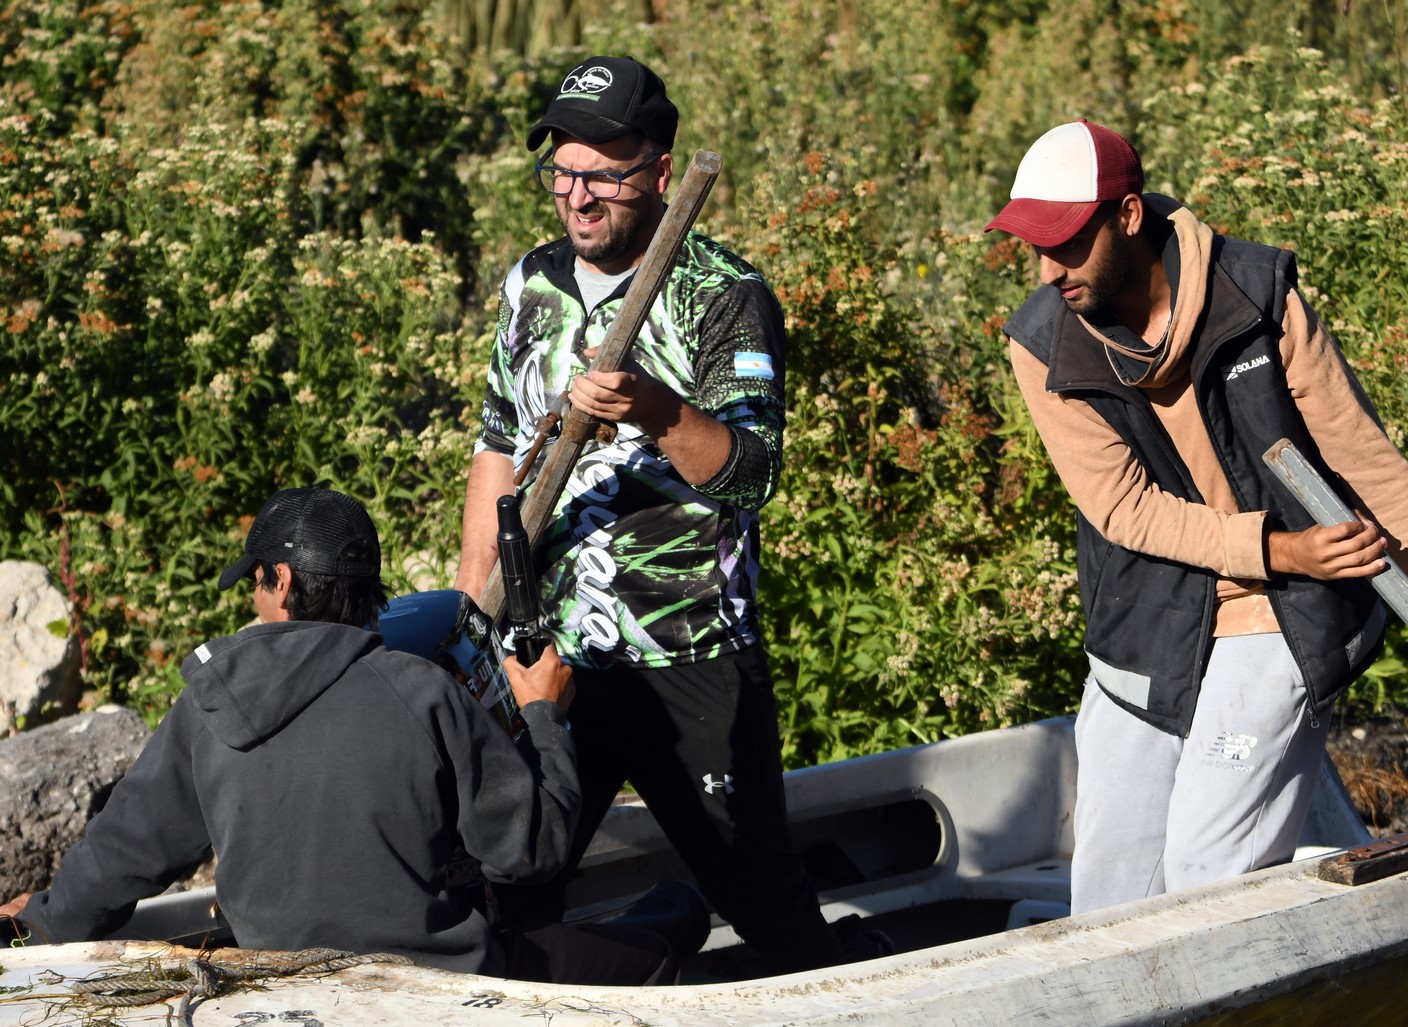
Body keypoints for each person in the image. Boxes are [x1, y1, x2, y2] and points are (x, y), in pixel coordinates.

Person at [986, 120, 1408, 915]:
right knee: (1107, 902)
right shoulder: (1042, 343)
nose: (1048, 271)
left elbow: (1370, 467)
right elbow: (1124, 510)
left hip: (1282, 612)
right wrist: (1280, 547)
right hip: (1149, 615)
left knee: (1207, 874)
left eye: (1066, 243)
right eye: (1035, 247)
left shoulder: (1257, 297)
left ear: (1129, 216)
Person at [452, 55, 854, 973]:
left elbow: (750, 476)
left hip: (690, 654)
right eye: (562, 171)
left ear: (662, 172)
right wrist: (471, 617)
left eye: (602, 174)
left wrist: (657, 410)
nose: (576, 196)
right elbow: (497, 447)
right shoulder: (532, 283)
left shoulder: (725, 294)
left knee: (765, 902)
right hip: (550, 658)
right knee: (512, 887)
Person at [2, 486, 670, 983]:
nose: (256, 599)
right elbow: (530, 853)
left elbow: (122, 855)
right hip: (435, 980)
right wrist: (545, 715)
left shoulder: (209, 702)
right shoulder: (423, 690)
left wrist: (45, 919)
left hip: (278, 984)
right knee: (660, 945)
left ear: (283, 582)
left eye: (256, 582)